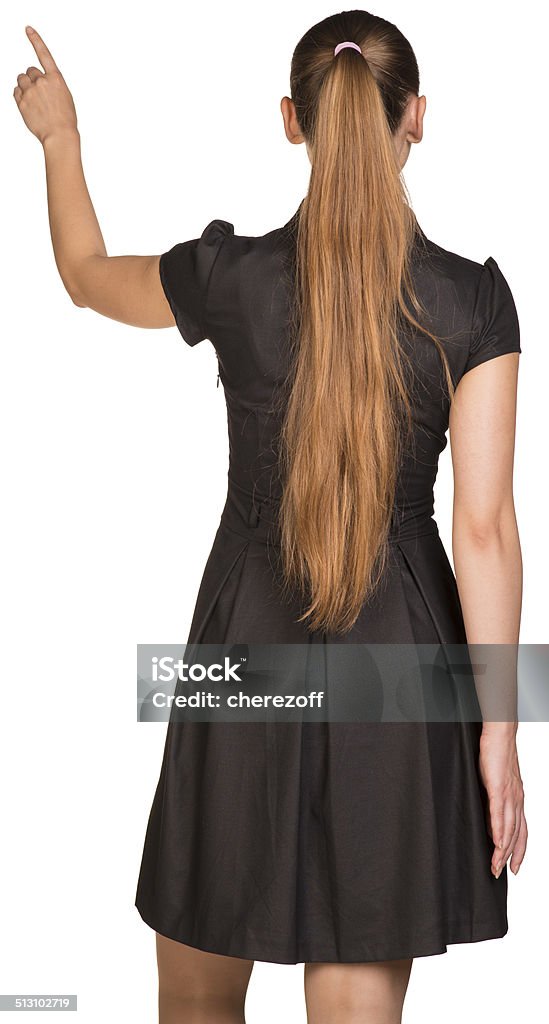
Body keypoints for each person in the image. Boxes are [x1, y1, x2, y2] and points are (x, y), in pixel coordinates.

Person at [14, 10, 528, 1024]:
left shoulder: (235, 281)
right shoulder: (473, 305)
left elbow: (83, 277)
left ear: (291, 121)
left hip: (242, 647)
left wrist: (61, 139)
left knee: (198, 1005)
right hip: (401, 669)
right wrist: (501, 732)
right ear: (415, 117)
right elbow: (484, 532)